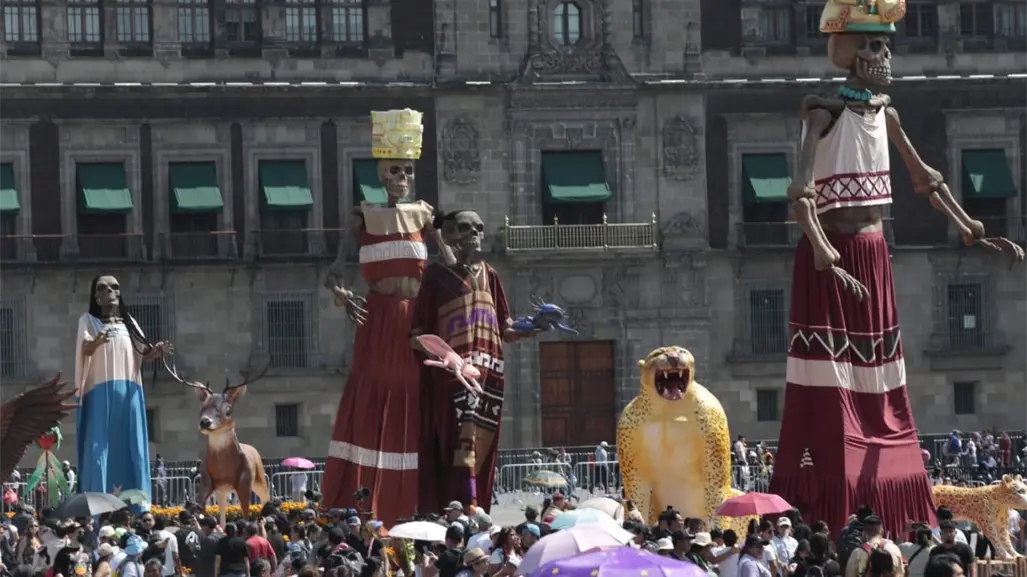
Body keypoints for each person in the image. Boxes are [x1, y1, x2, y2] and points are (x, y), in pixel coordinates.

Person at [764, 0, 1027, 531]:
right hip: (835, 253)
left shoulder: (887, 112)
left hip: (874, 250)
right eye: (868, 44)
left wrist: (970, 226)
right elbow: (801, 192)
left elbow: (925, 177)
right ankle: (832, 483)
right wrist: (821, 251)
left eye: (884, 44)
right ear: (845, 51)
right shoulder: (824, 113)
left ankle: (886, 475)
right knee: (832, 372)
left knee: (882, 371)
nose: (880, 54)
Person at [322, 108, 453, 524]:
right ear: (381, 175)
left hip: (415, 319)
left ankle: (419, 495)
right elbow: (333, 273)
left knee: (416, 396)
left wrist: (438, 237)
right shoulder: (363, 217)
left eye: (408, 171)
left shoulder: (424, 216)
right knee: (375, 394)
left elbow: (450, 267)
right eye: (395, 170)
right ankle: (364, 498)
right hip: (377, 318)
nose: (403, 178)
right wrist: (341, 294)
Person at [412, 209, 540, 511]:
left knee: (481, 445)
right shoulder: (434, 277)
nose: (474, 235)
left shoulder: (491, 275)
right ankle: (458, 507)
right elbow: (416, 335)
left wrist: (532, 328)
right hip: (452, 379)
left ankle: (478, 505)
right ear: (447, 235)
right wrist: (446, 356)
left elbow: (505, 328)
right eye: (465, 228)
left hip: (490, 375)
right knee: (458, 445)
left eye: (479, 229)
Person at [74, 275, 172, 495]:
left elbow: (141, 353)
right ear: (96, 296)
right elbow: (85, 347)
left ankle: (139, 502)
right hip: (100, 394)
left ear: (119, 294)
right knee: (99, 447)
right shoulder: (88, 321)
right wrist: (96, 342)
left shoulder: (129, 323)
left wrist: (156, 352)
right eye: (103, 288)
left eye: (115, 287)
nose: (110, 292)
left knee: (135, 445)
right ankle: (98, 502)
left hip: (130, 392)